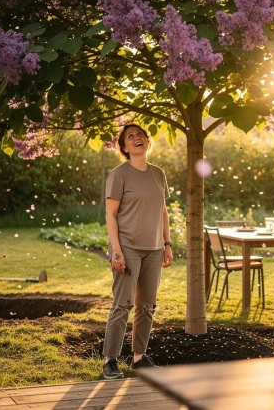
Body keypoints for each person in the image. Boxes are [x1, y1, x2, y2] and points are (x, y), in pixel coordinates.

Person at [102, 124, 173, 379]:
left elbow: (163, 211)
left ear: (147, 141)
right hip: (128, 247)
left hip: (154, 249)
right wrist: (117, 250)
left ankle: (139, 358)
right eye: (130, 136)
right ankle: (110, 360)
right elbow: (110, 214)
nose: (136, 138)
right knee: (123, 304)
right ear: (124, 147)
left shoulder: (158, 174)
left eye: (140, 134)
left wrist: (167, 244)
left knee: (147, 306)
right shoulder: (119, 175)